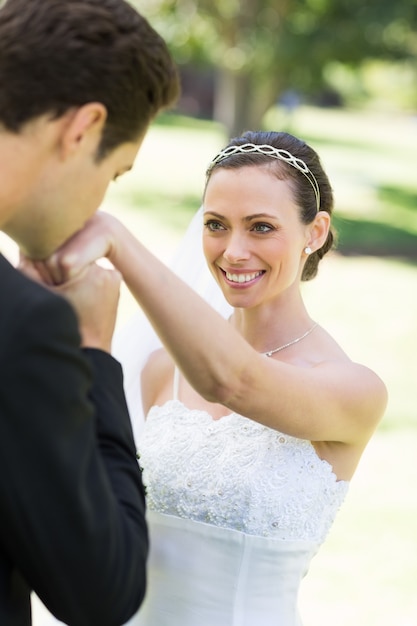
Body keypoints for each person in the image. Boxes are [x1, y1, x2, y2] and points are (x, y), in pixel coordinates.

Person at [36, 130, 388, 626]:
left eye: (261, 227)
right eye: (216, 225)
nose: (233, 251)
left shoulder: (352, 390)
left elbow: (232, 382)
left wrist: (117, 241)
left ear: (315, 232)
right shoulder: (162, 369)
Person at [0, 0, 179, 624]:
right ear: (82, 130)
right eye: (116, 171)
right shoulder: (22, 326)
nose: (102, 200)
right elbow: (103, 590)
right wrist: (93, 352)